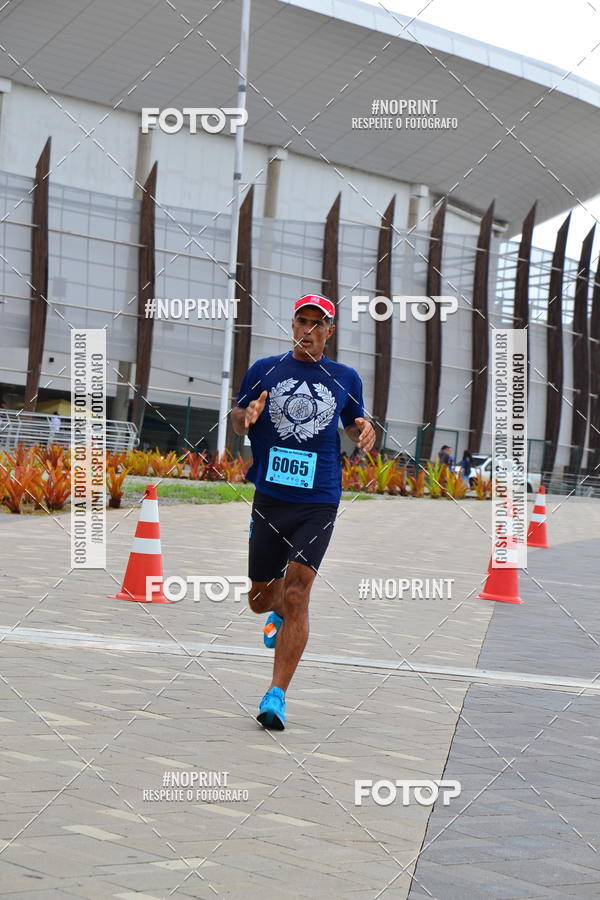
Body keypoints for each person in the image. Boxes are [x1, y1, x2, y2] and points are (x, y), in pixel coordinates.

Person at [231, 294, 375, 730]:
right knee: (261, 600)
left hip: (319, 498)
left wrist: (362, 429)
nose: (309, 330)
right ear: (292, 325)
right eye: (302, 321)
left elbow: (352, 421)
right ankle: (275, 610)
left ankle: (276, 695)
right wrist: (248, 415)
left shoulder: (345, 377)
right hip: (272, 498)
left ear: (330, 331)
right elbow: (237, 418)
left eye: (319, 324)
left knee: (297, 592)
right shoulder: (265, 369)